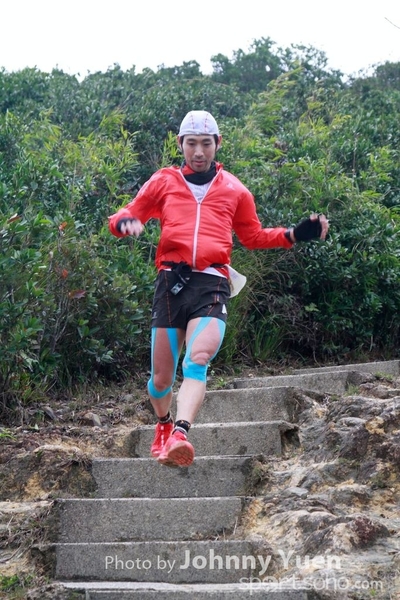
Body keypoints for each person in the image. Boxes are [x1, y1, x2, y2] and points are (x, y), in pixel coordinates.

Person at [108, 110, 329, 468]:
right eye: (191, 143)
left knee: (197, 360)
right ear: (180, 144)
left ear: (217, 144)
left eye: (206, 144)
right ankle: (163, 424)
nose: (199, 152)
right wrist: (123, 223)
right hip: (171, 284)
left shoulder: (235, 189)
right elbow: (126, 214)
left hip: (212, 283)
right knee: (160, 379)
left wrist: (292, 234)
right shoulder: (163, 181)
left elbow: (252, 236)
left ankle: (180, 434)